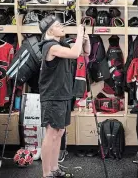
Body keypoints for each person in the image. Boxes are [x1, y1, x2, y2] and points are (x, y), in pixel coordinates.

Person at [39, 15, 90, 178]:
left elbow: (84, 52)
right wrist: (79, 34)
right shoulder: (50, 47)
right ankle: (46, 173)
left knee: (59, 132)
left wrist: (85, 38)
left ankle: (55, 169)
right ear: (50, 30)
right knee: (51, 133)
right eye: (58, 25)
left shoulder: (61, 44)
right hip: (53, 95)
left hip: (64, 94)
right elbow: (75, 54)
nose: (62, 27)